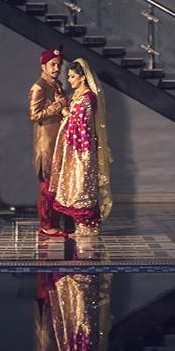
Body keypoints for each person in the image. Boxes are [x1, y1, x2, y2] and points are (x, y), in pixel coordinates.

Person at [47, 57, 112, 237]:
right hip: (74, 149)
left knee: (82, 188)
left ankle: (88, 228)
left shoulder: (87, 98)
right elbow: (73, 118)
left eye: (72, 76)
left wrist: (65, 111)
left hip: (82, 150)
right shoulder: (77, 96)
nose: (69, 80)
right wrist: (65, 109)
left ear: (83, 77)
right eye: (69, 76)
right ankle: (82, 228)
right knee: (76, 187)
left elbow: (82, 126)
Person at [28, 47, 68, 238]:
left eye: (59, 65)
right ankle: (46, 225)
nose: (56, 68)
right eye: (52, 65)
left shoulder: (57, 84)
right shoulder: (39, 87)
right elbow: (34, 115)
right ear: (43, 66)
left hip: (58, 141)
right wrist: (58, 105)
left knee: (57, 185)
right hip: (46, 144)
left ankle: (54, 223)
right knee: (47, 186)